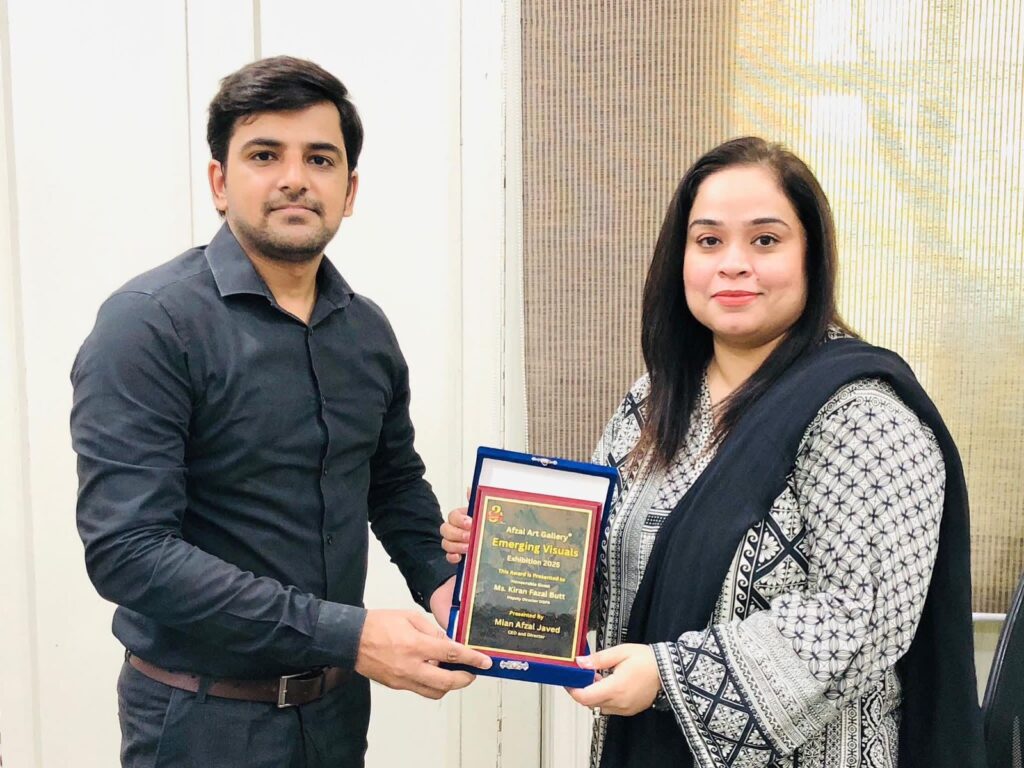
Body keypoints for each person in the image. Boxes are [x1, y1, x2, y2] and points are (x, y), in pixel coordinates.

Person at [443, 137, 985, 767]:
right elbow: (619, 572)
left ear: (812, 256)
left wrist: (671, 676)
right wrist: (509, 555)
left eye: (765, 240)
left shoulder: (863, 414)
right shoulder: (651, 403)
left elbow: (859, 616)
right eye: (708, 241)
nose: (733, 264)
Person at [72, 56, 489, 768]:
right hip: (201, 721)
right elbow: (129, 553)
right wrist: (350, 634)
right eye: (265, 155)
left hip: (335, 715)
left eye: (320, 159)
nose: (295, 178)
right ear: (219, 181)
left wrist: (446, 582)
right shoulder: (148, 325)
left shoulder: (367, 331)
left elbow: (390, 482)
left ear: (349, 191)